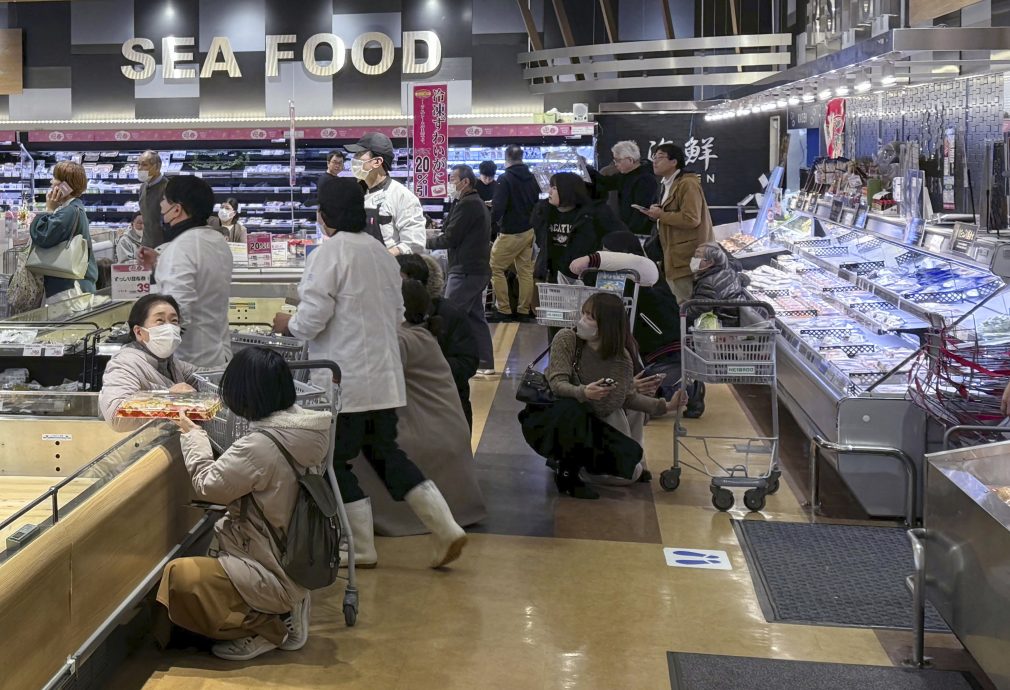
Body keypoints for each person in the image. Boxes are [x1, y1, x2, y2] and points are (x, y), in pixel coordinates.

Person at [271, 177, 467, 570]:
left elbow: (312, 318)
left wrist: (285, 324)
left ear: (324, 216)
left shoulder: (328, 254)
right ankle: (445, 526)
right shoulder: (381, 253)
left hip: (345, 381)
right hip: (383, 377)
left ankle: (360, 548)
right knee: (385, 452)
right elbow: (398, 314)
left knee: (335, 463)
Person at [156, 347, 329, 661]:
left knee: (181, 577)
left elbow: (209, 485)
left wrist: (192, 434)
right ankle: (282, 604)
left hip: (267, 566)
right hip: (293, 557)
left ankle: (267, 627)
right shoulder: (310, 431)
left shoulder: (261, 445)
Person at [353, 279, 487, 536]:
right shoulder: (422, 333)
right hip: (443, 430)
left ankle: (359, 537)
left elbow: (369, 380)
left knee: (353, 447)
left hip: (424, 433)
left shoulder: (400, 340)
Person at [521, 292, 682, 499]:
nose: (583, 321)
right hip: (553, 414)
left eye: (591, 317)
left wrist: (666, 405)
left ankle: (624, 462)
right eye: (584, 314)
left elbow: (627, 397)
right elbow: (557, 384)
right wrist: (584, 392)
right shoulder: (567, 338)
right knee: (574, 408)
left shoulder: (621, 357)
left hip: (594, 414)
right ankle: (569, 472)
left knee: (630, 415)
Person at [138, 176, 233, 368]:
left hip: (191, 360)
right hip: (219, 350)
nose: (161, 206)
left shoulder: (181, 247)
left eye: (164, 200)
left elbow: (177, 310)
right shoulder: (217, 242)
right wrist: (161, 263)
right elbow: (202, 279)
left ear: (177, 209)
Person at [426, 164, 495, 377]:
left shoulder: (469, 205)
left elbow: (450, 237)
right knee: (475, 317)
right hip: (476, 268)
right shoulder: (471, 202)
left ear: (465, 182)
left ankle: (441, 364)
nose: (449, 183)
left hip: (466, 270)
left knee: (447, 315)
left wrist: (423, 242)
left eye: (453, 179)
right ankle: (485, 362)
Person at [398, 254, 479, 429]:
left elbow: (468, 362)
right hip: (405, 414)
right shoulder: (387, 316)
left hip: (446, 408)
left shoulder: (449, 313)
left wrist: (427, 365)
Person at [98, 294, 197, 432]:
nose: (169, 328)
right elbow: (117, 416)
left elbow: (202, 376)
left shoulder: (170, 362)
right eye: (160, 321)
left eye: (174, 321)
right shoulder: (125, 363)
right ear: (139, 332)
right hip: (141, 446)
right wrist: (168, 397)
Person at [680, 242, 750, 419]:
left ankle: (694, 399)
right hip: (728, 324)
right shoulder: (727, 271)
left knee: (686, 354)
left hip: (718, 331)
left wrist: (678, 312)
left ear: (709, 262)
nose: (693, 259)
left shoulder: (708, 283)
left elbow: (697, 309)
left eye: (697, 256)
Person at [640, 143, 714, 303]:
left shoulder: (687, 184)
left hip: (686, 257)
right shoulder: (667, 184)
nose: (655, 161)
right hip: (672, 255)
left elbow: (691, 219)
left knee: (685, 303)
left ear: (674, 162)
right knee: (676, 301)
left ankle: (687, 329)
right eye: (653, 157)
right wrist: (657, 213)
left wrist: (661, 215)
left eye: (660, 157)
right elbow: (671, 213)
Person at [531, 172, 626, 284]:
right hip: (549, 276)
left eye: (555, 188)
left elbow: (622, 238)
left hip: (582, 277)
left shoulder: (593, 215)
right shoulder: (543, 212)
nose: (549, 192)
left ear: (567, 190)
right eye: (550, 187)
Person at [344, 132, 426, 256]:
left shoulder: (402, 196)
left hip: (388, 271)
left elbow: (414, 243)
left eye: (359, 154)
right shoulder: (355, 194)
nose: (354, 159)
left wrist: (380, 258)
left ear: (377, 162)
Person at [29, 160, 98, 302]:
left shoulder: (69, 212)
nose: (51, 181)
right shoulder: (74, 208)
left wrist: (48, 210)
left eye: (55, 178)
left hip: (70, 288)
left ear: (65, 186)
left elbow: (42, 236)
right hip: (76, 284)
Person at [489, 144, 540, 322]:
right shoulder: (532, 177)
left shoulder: (505, 178)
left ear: (506, 158)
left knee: (496, 268)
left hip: (510, 231)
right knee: (525, 271)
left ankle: (504, 309)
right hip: (529, 230)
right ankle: (523, 310)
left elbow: (498, 208)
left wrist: (490, 222)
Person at [593, 140, 659, 237]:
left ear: (630, 160)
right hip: (625, 228)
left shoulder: (645, 179)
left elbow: (640, 211)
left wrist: (628, 233)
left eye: (618, 160)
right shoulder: (625, 175)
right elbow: (605, 183)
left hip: (640, 233)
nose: (615, 164)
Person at [137, 150, 168, 248]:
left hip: (163, 246)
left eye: (144, 165)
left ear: (157, 167)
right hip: (147, 244)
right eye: (138, 164)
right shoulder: (143, 187)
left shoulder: (168, 188)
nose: (140, 168)